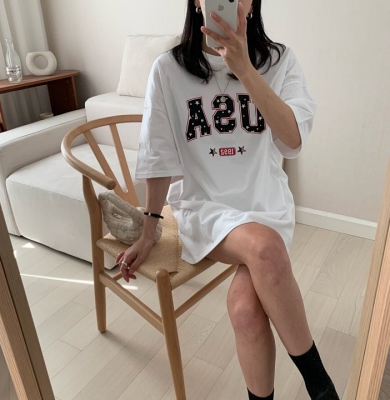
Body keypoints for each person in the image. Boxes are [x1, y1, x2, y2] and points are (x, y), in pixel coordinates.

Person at [116, 1, 339, 399]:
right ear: (197, 2)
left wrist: (245, 70)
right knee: (265, 249)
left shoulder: (279, 60)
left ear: (251, 4)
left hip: (265, 202)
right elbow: (158, 156)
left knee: (244, 309)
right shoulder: (168, 69)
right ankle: (321, 387)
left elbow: (292, 142)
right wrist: (148, 233)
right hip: (204, 207)